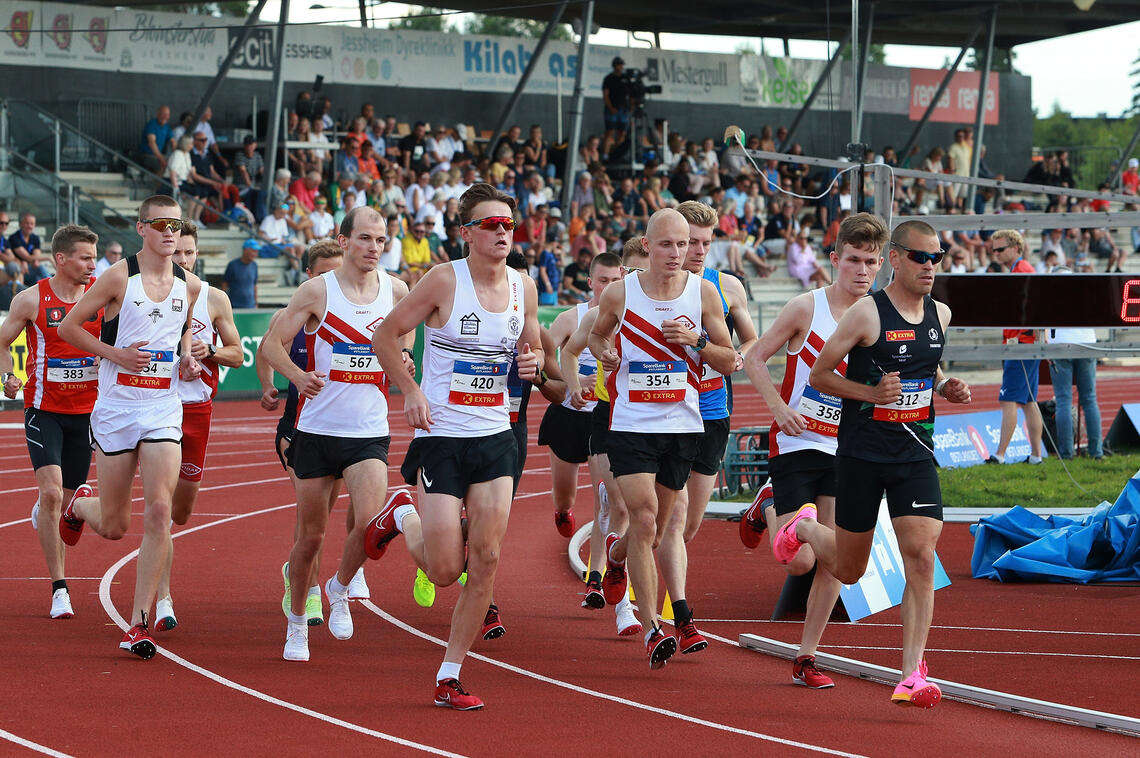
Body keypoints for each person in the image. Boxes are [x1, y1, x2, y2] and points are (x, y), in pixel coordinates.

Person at [771, 219, 972, 708]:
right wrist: (869, 392)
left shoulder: (940, 314)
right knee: (849, 570)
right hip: (861, 456)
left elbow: (927, 363)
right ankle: (805, 526)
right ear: (898, 259)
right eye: (921, 257)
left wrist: (945, 386)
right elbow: (819, 375)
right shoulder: (865, 314)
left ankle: (910, 674)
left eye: (937, 257)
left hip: (915, 454)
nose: (930, 267)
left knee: (921, 555)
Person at [364, 183, 542, 710]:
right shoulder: (444, 279)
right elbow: (385, 336)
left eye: (509, 224)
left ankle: (450, 672)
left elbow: (529, 347)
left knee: (485, 557)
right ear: (467, 232)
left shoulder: (523, 287)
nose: (503, 232)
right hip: (441, 438)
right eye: (491, 224)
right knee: (444, 570)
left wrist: (532, 365)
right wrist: (412, 389)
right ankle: (401, 517)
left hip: (494, 437)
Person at [741, 212, 888, 688]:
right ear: (834, 259)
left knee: (838, 562)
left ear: (882, 263)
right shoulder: (807, 307)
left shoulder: (882, 314)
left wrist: (945, 386)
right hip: (798, 441)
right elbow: (754, 357)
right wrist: (779, 407)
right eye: (853, 260)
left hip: (848, 450)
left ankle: (807, 656)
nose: (862, 271)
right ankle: (769, 505)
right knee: (800, 559)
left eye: (870, 262)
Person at [260, 206, 413, 662]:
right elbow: (271, 344)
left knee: (368, 523)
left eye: (381, 240)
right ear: (343, 241)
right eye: (365, 239)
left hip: (368, 431)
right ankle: (296, 625)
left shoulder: (397, 290)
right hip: (317, 429)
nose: (373, 248)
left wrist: (403, 358)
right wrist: (296, 375)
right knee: (310, 537)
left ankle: (340, 588)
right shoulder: (317, 290)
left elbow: (404, 339)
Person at [588, 208, 737, 669]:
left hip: (682, 424)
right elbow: (595, 337)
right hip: (632, 423)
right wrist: (606, 354)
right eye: (668, 244)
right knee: (646, 518)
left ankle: (615, 555)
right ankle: (654, 628)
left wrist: (694, 342)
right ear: (647, 247)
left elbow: (730, 360)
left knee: (649, 535)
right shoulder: (620, 292)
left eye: (684, 244)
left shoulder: (704, 293)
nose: (678, 253)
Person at [56, 196, 203, 658]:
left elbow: (179, 332)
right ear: (142, 229)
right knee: (117, 525)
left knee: (160, 511)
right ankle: (81, 505)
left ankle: (138, 623)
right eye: (159, 224)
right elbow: (69, 328)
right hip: (118, 407)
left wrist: (186, 359)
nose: (169, 232)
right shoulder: (121, 276)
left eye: (175, 225)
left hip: (162, 406)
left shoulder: (191, 285)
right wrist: (115, 354)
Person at [656, 200, 758, 655]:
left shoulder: (725, 286)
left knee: (689, 524)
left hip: (712, 413)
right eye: (689, 242)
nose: (696, 251)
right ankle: (675, 612)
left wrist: (735, 354)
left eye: (703, 243)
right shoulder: (657, 283)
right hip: (665, 413)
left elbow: (753, 341)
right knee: (671, 519)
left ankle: (623, 556)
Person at [257, 241, 364, 627]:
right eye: (322, 273)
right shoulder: (295, 315)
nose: (330, 281)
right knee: (309, 522)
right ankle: (312, 593)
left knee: (321, 520)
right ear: (308, 275)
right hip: (296, 430)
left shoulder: (351, 314)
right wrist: (272, 384)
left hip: (340, 430)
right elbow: (266, 351)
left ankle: (300, 573)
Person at [0, 224, 101, 620]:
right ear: (62, 259)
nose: (93, 264)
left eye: (94, 257)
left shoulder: (103, 299)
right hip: (44, 410)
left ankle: (50, 510)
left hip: (89, 414)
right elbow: (3, 341)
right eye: (85, 257)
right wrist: (8, 375)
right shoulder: (31, 300)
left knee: (65, 504)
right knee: (53, 492)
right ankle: (60, 587)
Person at [152, 220, 243, 631]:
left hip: (199, 412)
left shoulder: (214, 298)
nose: (183, 260)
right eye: (177, 253)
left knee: (182, 511)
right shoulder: (146, 293)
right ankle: (163, 598)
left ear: (197, 254)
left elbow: (239, 354)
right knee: (161, 508)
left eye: (189, 253)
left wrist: (212, 353)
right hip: (158, 408)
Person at [559, 241, 647, 637]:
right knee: (613, 505)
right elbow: (568, 350)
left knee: (640, 512)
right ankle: (623, 606)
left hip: (649, 422)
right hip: (607, 417)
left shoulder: (663, 314)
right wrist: (572, 384)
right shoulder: (598, 315)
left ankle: (606, 573)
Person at [541, 252, 623, 543]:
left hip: (601, 417)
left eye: (616, 280)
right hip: (568, 415)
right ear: (590, 282)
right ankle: (562, 511)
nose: (609, 286)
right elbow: (546, 359)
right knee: (565, 496)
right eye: (603, 281)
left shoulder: (629, 317)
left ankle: (602, 558)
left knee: (604, 489)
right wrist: (572, 381)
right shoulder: (570, 318)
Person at [986, 229, 1044, 465]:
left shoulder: (1021, 272)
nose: (996, 254)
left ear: (1016, 248)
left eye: (1000, 249)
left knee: (1008, 399)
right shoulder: (1021, 271)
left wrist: (1021, 337)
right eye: (994, 250)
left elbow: (1034, 308)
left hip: (1020, 344)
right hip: (1025, 342)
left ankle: (1000, 455)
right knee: (1029, 401)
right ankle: (1037, 456)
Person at [1048, 269, 1103, 460]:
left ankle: (1066, 453)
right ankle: (1097, 452)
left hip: (1061, 346)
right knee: (1089, 399)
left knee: (1063, 400)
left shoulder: (1051, 293)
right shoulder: (1085, 291)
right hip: (1087, 343)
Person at [602, 57, 631, 160]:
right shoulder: (609, 78)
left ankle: (617, 153)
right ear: (615, 66)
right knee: (610, 131)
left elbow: (630, 93)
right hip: (612, 108)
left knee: (622, 132)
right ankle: (605, 155)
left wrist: (631, 106)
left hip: (624, 109)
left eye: (622, 65)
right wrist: (610, 107)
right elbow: (606, 95)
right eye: (619, 65)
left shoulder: (626, 78)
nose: (621, 67)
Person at [9, 213, 51, 284]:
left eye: (32, 224)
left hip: (30, 270)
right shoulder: (14, 238)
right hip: (19, 271)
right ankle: (53, 287)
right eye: (27, 223)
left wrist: (34, 261)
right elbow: (27, 257)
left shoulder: (35, 238)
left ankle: (50, 290)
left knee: (38, 278)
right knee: (40, 268)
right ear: (21, 224)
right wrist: (48, 258)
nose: (29, 226)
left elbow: (36, 257)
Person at [223, 239, 260, 309]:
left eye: (257, 251)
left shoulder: (254, 265)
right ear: (245, 250)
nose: (255, 254)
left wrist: (256, 302)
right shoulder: (233, 265)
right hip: (234, 305)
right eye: (253, 251)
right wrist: (224, 303)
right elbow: (225, 284)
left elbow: (254, 285)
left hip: (250, 305)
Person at [139, 105, 173, 175]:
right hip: (146, 155)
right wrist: (161, 158)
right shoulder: (151, 125)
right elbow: (152, 143)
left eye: (167, 115)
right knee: (161, 165)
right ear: (157, 114)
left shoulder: (167, 127)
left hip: (158, 155)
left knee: (173, 163)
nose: (165, 117)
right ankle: (159, 185)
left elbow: (173, 142)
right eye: (163, 114)